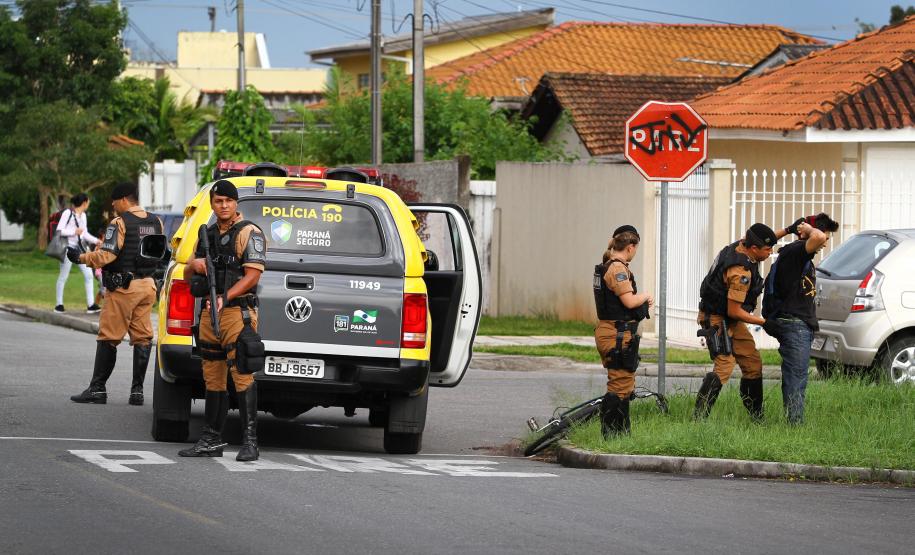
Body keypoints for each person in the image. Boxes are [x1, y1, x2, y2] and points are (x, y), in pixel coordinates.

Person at [178, 180, 266, 462]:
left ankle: (250, 441)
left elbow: (253, 275)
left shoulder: (249, 232)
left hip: (236, 313)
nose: (224, 206)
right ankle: (211, 439)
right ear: (212, 203)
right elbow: (187, 272)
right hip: (209, 314)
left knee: (242, 373)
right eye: (218, 201)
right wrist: (195, 264)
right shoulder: (207, 234)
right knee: (212, 375)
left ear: (236, 203)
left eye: (228, 201)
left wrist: (224, 297)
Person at [68, 183, 163, 406]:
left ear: (123, 200)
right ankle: (137, 392)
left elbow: (107, 256)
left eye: (114, 200)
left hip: (123, 288)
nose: (112, 204)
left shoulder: (119, 223)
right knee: (142, 337)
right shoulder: (156, 221)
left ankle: (97, 389)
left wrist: (81, 258)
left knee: (108, 337)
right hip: (148, 286)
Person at [694, 223, 777, 421]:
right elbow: (735, 310)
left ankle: (757, 418)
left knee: (752, 362)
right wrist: (764, 322)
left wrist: (789, 230)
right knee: (724, 365)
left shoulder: (741, 245)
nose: (770, 253)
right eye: (768, 250)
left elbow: (763, 238)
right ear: (754, 249)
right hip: (717, 318)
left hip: (730, 319)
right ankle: (698, 418)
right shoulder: (740, 273)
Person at [763, 213, 839, 424]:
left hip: (793, 322)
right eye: (825, 233)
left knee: (794, 375)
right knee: (797, 377)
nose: (826, 240)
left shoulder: (797, 254)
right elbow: (818, 238)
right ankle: (794, 425)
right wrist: (806, 229)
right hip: (794, 324)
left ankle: (793, 421)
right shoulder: (798, 251)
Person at [593, 225, 653, 437]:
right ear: (630, 247)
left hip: (614, 332)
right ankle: (610, 436)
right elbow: (628, 301)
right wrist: (645, 296)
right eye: (635, 248)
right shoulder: (617, 269)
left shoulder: (609, 265)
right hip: (615, 334)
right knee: (619, 385)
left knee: (624, 384)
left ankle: (622, 435)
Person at [54, 193, 101, 314]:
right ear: (84, 202)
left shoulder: (83, 216)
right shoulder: (67, 213)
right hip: (67, 249)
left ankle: (91, 305)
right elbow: (59, 230)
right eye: (88, 202)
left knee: (89, 275)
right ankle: (59, 305)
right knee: (63, 276)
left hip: (79, 249)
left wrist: (98, 241)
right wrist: (74, 231)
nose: (88, 204)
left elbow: (84, 234)